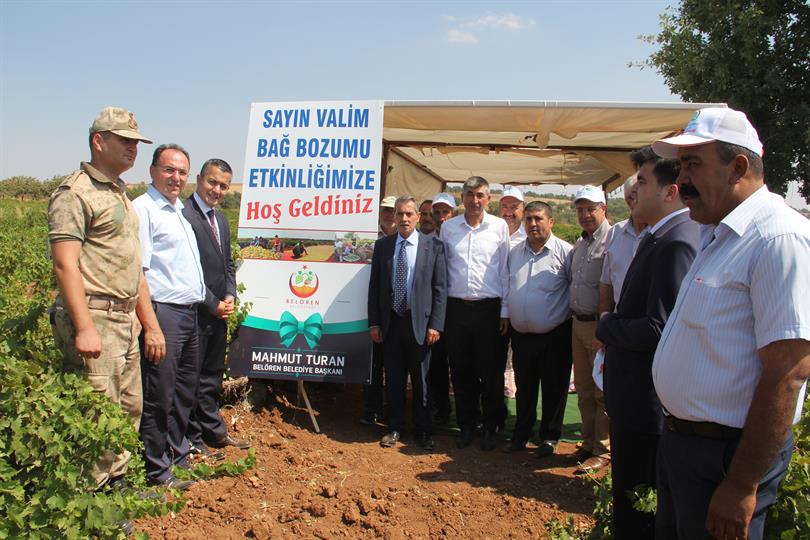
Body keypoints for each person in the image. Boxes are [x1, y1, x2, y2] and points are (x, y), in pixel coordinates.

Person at [651, 107, 810, 540]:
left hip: (726, 458)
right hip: (685, 445)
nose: (681, 179)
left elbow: (788, 372)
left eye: (693, 164)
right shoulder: (718, 233)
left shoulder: (778, 239)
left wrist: (742, 484)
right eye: (681, 166)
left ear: (738, 167)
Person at [48, 107, 165, 501]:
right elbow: (65, 264)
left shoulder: (118, 193)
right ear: (99, 142)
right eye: (124, 140)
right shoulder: (75, 193)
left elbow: (133, 265)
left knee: (127, 409)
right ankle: (93, 500)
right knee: (98, 413)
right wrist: (84, 327)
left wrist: (145, 320)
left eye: (136, 142)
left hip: (123, 318)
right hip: (96, 315)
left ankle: (118, 488)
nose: (133, 148)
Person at [595, 147, 698, 538]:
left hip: (645, 406)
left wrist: (607, 325)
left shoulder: (676, 242)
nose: (633, 190)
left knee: (638, 510)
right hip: (633, 401)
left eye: (642, 181)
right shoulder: (660, 236)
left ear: (670, 192)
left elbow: (658, 328)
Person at [133, 143, 205, 489]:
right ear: (152, 171)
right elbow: (138, 273)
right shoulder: (143, 210)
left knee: (183, 392)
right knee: (159, 395)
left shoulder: (177, 210)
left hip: (188, 314)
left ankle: (178, 457)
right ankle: (156, 471)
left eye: (182, 172)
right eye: (169, 170)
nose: (176, 177)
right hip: (164, 315)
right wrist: (151, 326)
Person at [181, 158, 250, 457]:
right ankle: (192, 439)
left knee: (211, 376)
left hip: (219, 312)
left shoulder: (219, 219)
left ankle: (214, 431)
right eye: (212, 182)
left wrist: (230, 294)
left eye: (223, 185)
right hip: (194, 312)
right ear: (199, 179)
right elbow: (185, 270)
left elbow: (227, 264)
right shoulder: (184, 215)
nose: (217, 190)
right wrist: (212, 303)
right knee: (190, 379)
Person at [368, 196, 447, 450]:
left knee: (422, 381)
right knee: (394, 379)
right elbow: (375, 287)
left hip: (421, 326)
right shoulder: (383, 246)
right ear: (394, 216)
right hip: (391, 323)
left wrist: (436, 325)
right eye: (400, 214)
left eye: (409, 214)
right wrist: (374, 323)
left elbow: (440, 289)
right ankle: (395, 428)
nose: (404, 218)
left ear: (418, 217)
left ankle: (423, 431)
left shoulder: (434, 246)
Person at [440, 176, 510, 451]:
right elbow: (442, 271)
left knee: (491, 371)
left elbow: (504, 271)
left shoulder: (499, 227)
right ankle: (467, 425)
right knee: (461, 370)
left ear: (488, 199)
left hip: (489, 309)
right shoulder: (448, 228)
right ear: (462, 198)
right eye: (469, 194)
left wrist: (505, 310)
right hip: (456, 309)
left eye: (480, 195)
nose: (474, 200)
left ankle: (491, 426)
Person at [502, 201, 573, 458]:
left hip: (555, 335)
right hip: (521, 336)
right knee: (525, 388)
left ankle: (550, 437)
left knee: (554, 388)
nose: (533, 224)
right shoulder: (514, 253)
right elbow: (507, 286)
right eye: (529, 219)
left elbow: (574, 288)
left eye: (538, 219)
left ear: (550, 221)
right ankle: (521, 434)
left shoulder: (566, 252)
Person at [567, 185, 611, 473]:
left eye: (590, 209)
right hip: (577, 323)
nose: (585, 214)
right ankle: (587, 443)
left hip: (598, 326)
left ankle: (603, 449)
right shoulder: (581, 244)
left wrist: (605, 330)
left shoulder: (612, 240)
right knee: (583, 389)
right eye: (580, 209)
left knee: (601, 391)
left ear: (603, 209)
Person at [597, 175, 647, 317]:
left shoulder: (663, 233)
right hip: (620, 320)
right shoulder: (615, 232)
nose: (635, 202)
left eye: (639, 196)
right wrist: (604, 321)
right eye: (631, 198)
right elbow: (606, 283)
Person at [427, 192, 457, 424]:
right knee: (436, 362)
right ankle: (441, 409)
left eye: (445, 211)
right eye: (436, 212)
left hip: (457, 307)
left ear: (453, 213)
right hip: (436, 309)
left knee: (460, 361)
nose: (441, 216)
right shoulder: (425, 241)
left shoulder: (461, 236)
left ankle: (468, 412)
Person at [497, 185, 526, 418]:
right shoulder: (492, 233)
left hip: (519, 313)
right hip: (494, 311)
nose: (509, 211)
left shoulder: (529, 237)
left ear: (522, 209)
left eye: (514, 206)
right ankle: (496, 413)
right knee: (494, 364)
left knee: (521, 366)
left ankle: (521, 418)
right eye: (505, 206)